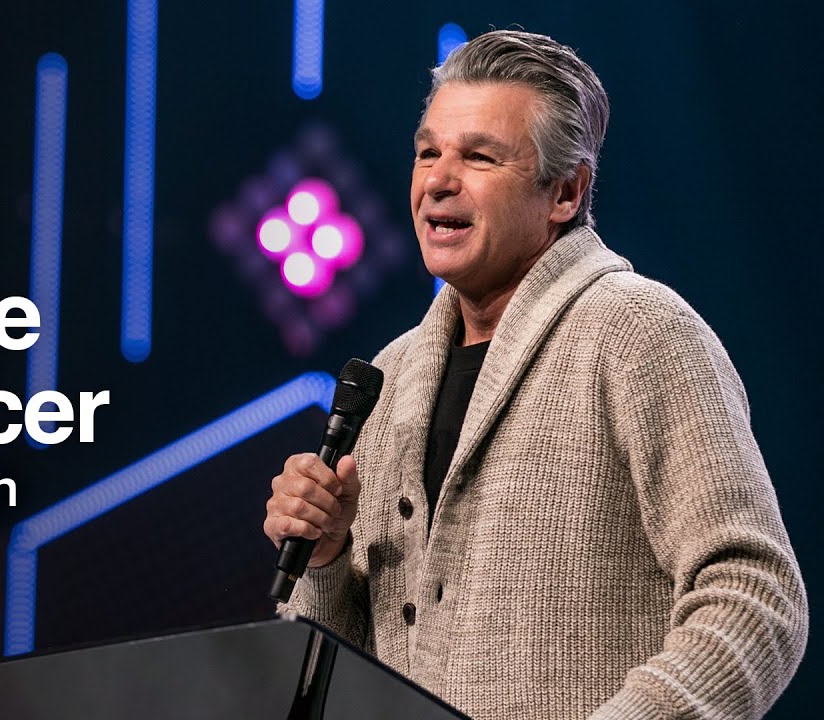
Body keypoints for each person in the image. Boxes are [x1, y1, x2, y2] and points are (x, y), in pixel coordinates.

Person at [264, 30, 807, 719]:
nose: (438, 180)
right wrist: (326, 558)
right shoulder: (390, 376)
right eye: (428, 152)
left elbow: (756, 598)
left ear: (566, 192)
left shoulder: (639, 332)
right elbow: (340, 678)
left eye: (479, 156)